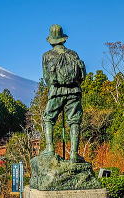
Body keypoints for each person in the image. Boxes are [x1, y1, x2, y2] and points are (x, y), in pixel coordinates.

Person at [42, 24, 86, 163]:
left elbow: (47, 79)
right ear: (63, 39)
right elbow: (81, 76)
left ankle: (50, 149)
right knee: (74, 121)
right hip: (74, 91)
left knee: (48, 118)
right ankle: (73, 154)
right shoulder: (73, 54)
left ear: (51, 40)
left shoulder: (47, 56)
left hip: (56, 92)